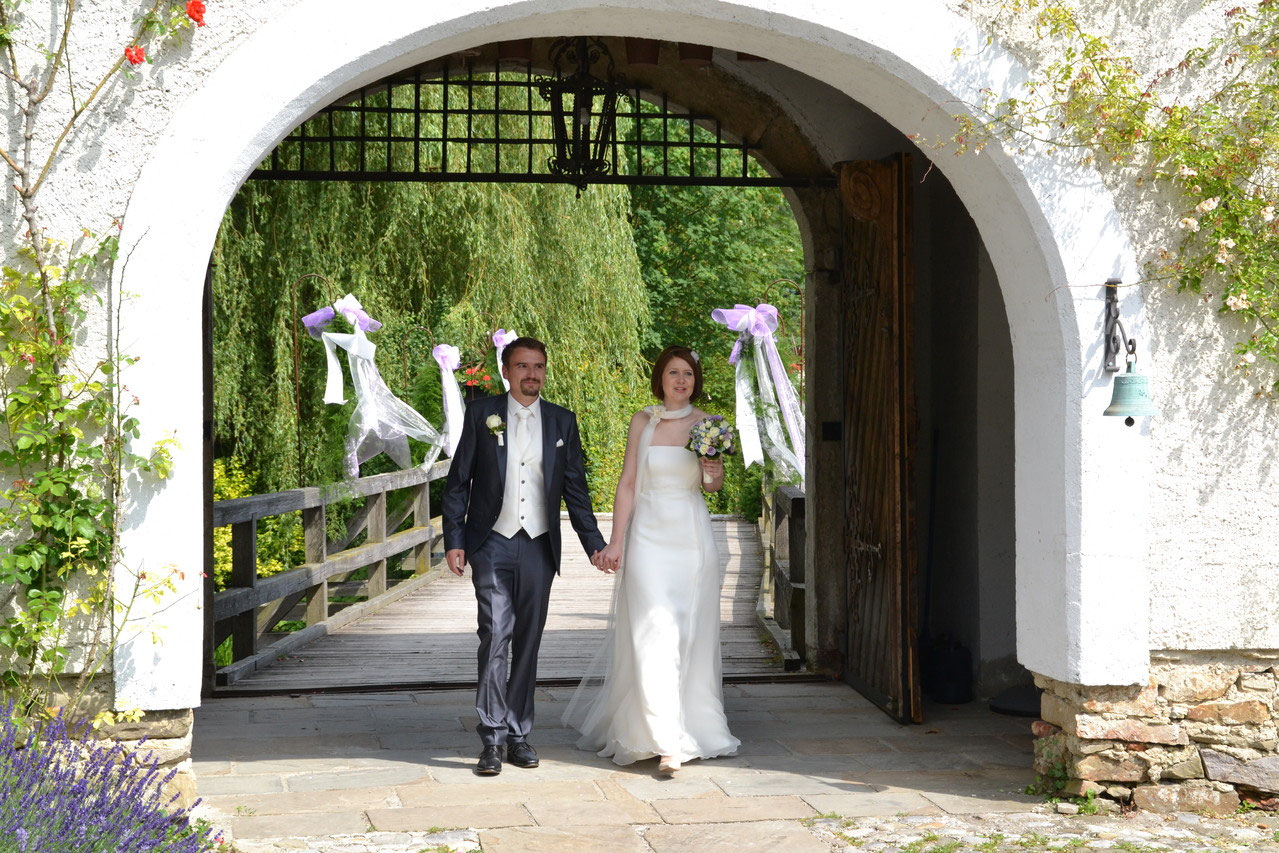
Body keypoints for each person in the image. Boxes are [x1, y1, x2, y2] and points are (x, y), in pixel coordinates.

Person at [564, 345, 740, 774]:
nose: (682, 380)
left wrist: (711, 463)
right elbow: (627, 484)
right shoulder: (643, 421)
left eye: (689, 374)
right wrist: (616, 541)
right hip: (647, 538)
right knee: (652, 630)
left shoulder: (708, 426)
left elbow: (712, 487)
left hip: (691, 539)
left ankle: (688, 727)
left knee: (687, 635)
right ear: (660, 378)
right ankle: (664, 741)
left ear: (695, 381)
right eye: (674, 373)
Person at [442, 336, 606, 776]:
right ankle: (492, 738)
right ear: (506, 371)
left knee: (528, 642)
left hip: (539, 543)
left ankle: (519, 735)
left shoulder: (562, 421)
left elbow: (576, 489)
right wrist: (454, 539)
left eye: (538, 367)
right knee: (495, 635)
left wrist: (595, 545)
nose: (531, 374)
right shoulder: (482, 415)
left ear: (544, 371)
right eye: (522, 367)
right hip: (491, 541)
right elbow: (458, 482)